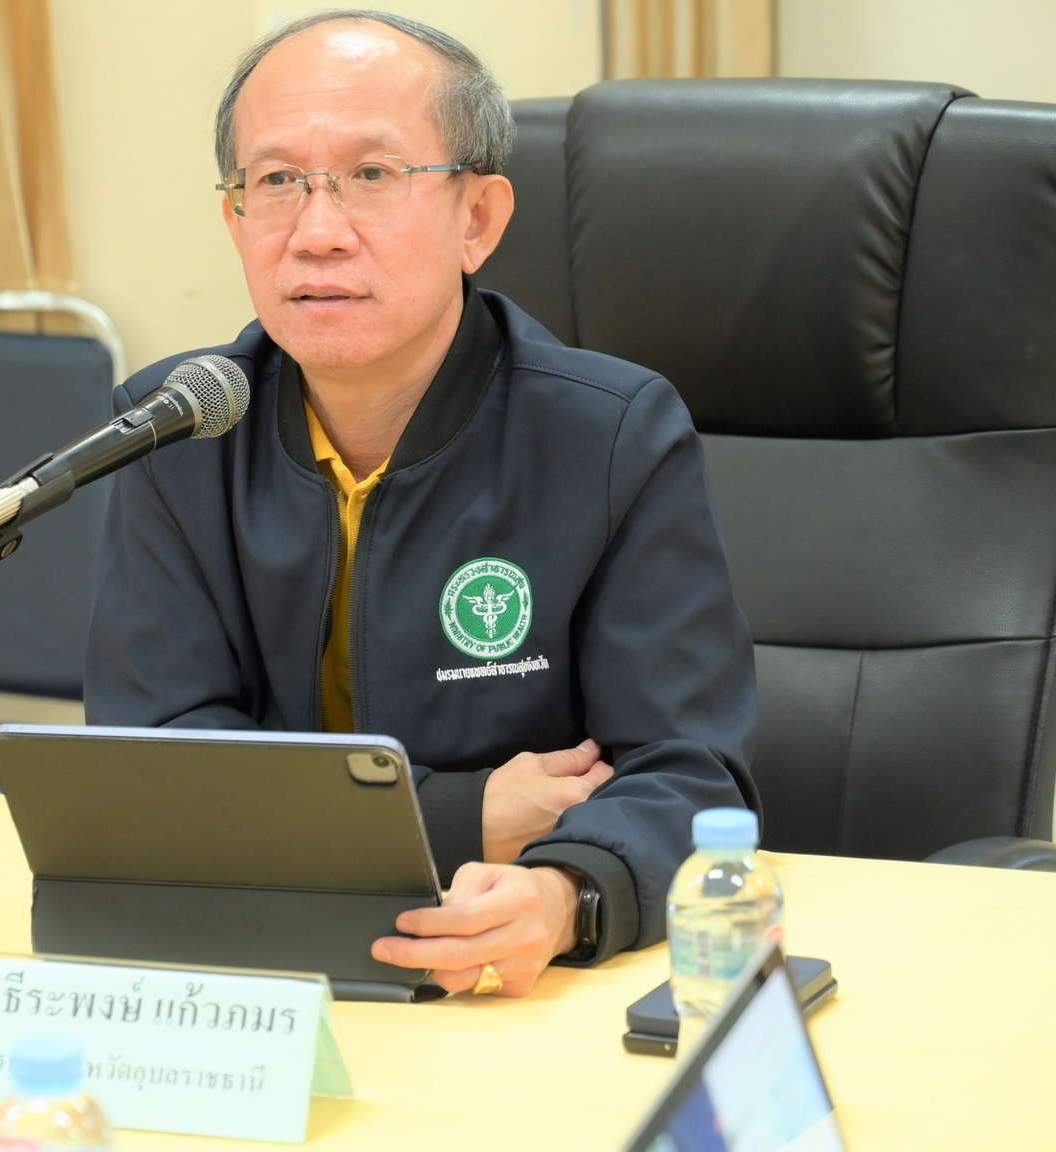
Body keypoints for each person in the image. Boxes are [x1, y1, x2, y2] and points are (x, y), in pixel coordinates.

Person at [84, 9, 758, 997]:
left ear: (476, 219)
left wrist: (567, 888)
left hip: (516, 983)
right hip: (260, 966)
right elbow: (159, 775)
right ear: (235, 219)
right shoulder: (175, 429)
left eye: (371, 176)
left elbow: (688, 772)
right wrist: (458, 813)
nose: (316, 233)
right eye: (274, 182)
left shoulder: (610, 435)